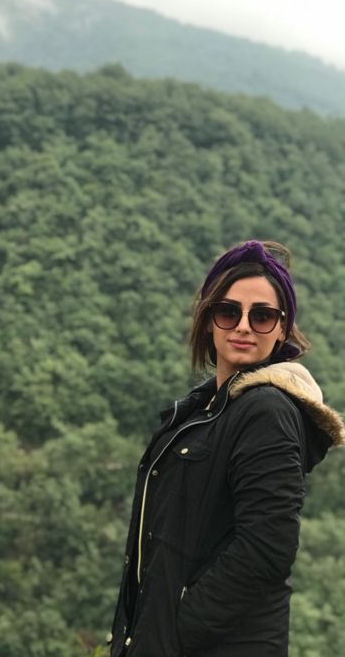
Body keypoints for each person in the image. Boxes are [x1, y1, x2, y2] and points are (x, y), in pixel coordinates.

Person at [107, 240, 345, 657]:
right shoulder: (202, 410)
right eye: (228, 311)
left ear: (282, 328)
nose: (243, 326)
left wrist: (175, 633)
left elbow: (266, 550)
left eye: (262, 315)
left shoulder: (266, 411)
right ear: (208, 320)